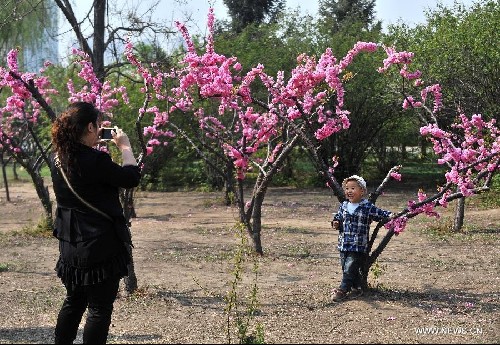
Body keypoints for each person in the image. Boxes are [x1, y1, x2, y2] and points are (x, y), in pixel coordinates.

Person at [50, 101, 141, 343]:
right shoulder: (95, 161)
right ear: (90, 127)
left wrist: (92, 141)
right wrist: (125, 147)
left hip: (71, 243)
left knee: (74, 301)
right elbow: (131, 177)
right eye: (98, 126)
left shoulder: (57, 158)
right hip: (100, 245)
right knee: (99, 308)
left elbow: (83, 166)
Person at [330, 175, 393, 302]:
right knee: (346, 267)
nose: (349, 191)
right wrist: (335, 223)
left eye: (353, 188)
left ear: (362, 191)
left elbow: (380, 213)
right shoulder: (344, 205)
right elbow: (338, 218)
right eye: (347, 188)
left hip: (358, 245)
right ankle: (357, 287)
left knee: (349, 267)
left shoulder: (366, 206)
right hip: (344, 243)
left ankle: (342, 290)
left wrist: (391, 215)